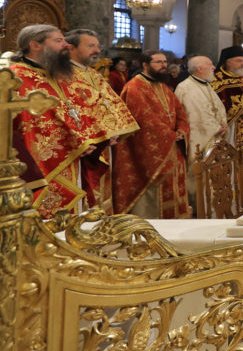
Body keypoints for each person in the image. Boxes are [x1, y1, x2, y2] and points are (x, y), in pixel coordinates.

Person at [9, 25, 108, 217]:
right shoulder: (16, 77)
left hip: (75, 158)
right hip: (39, 166)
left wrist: (89, 139)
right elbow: (27, 124)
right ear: (35, 45)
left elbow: (77, 111)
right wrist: (74, 143)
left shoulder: (58, 74)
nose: (66, 44)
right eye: (58, 41)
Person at [65, 28, 139, 213]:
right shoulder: (63, 74)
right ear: (71, 47)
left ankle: (102, 229)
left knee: (104, 193)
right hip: (86, 147)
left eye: (98, 46)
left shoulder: (94, 73)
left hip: (105, 143)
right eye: (90, 46)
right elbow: (71, 110)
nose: (97, 50)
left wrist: (117, 132)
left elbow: (112, 103)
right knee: (87, 192)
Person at [114, 50, 190, 218]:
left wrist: (182, 130)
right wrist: (170, 135)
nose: (164, 65)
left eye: (164, 62)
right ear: (146, 65)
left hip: (172, 146)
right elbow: (145, 120)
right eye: (158, 62)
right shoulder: (134, 87)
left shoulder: (163, 86)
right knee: (154, 193)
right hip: (148, 152)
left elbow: (180, 112)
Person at [174, 56, 228, 202]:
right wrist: (214, 128)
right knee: (199, 178)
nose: (214, 68)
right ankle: (199, 207)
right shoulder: (184, 88)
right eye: (210, 65)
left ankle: (214, 205)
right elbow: (184, 117)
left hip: (215, 141)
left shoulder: (207, 85)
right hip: (198, 143)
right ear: (199, 68)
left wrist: (223, 124)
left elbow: (217, 110)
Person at [212, 45, 243, 182]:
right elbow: (215, 105)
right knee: (230, 156)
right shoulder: (217, 80)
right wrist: (239, 110)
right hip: (230, 128)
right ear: (228, 62)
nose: (242, 63)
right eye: (238, 60)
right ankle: (231, 187)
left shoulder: (242, 79)